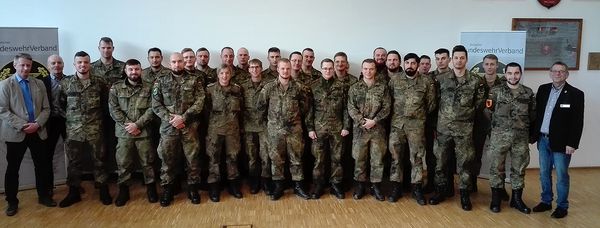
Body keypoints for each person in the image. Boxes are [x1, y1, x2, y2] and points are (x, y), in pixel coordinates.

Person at [429, 45, 484, 211]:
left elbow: (480, 104)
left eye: (462, 58)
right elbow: (434, 102)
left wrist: (465, 114)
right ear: (451, 60)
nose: (459, 61)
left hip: (464, 130)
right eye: (456, 58)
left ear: (466, 59)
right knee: (440, 162)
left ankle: (465, 195)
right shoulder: (441, 79)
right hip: (443, 129)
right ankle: (440, 191)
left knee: (465, 164)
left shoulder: (475, 80)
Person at [1, 53, 55, 216]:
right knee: (12, 169)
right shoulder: (5, 85)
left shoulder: (38, 83)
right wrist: (24, 125)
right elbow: (2, 110)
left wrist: (37, 124)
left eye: (28, 66)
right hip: (16, 133)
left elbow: (47, 108)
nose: (26, 68)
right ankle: (12, 201)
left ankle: (44, 196)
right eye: (22, 65)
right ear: (15, 65)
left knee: (42, 166)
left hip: (38, 131)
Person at [531, 61, 584, 219]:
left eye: (561, 71)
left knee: (561, 175)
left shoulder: (576, 94)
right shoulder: (543, 89)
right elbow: (537, 114)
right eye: (555, 71)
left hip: (562, 144)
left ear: (567, 74)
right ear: (550, 73)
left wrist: (572, 143)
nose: (558, 74)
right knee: (544, 173)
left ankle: (562, 206)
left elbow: (577, 121)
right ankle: (546, 201)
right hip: (543, 140)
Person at [59, 51, 111, 208]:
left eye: (86, 62)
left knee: (100, 161)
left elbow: (105, 105)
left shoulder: (99, 82)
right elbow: (61, 105)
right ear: (74, 64)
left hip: (95, 129)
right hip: (74, 131)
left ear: (90, 64)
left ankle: (103, 190)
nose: (83, 65)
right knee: (74, 163)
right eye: (79, 62)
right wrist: (73, 120)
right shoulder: (66, 83)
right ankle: (73, 192)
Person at [152, 52, 205, 207]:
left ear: (185, 62)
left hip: (189, 127)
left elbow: (200, 101)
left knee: (192, 159)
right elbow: (156, 104)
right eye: (174, 62)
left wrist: (184, 117)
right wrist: (172, 119)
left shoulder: (194, 80)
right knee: (167, 161)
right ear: (170, 63)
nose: (177, 64)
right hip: (169, 129)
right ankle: (167, 190)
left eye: (180, 61)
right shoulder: (161, 81)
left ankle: (193, 189)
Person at [257, 58, 311, 201]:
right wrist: (271, 123)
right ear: (278, 70)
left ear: (291, 69)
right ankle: (278, 187)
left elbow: (305, 107)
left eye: (288, 68)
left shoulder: (300, 87)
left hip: (294, 130)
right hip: (275, 131)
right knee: (276, 160)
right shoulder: (268, 88)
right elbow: (261, 107)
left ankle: (298, 186)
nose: (285, 71)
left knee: (296, 159)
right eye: (283, 68)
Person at [486, 62, 535, 214]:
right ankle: (495, 199)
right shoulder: (495, 91)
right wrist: (496, 129)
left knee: (519, 169)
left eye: (516, 73)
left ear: (520, 74)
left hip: (520, 138)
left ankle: (517, 199)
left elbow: (533, 115)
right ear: (505, 74)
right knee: (496, 168)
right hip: (499, 137)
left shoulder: (528, 93)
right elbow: (487, 112)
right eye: (510, 73)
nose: (513, 76)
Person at [387, 53, 436, 205]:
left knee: (417, 158)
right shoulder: (394, 80)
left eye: (413, 63)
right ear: (403, 64)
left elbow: (431, 104)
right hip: (397, 126)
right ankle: (396, 187)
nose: (410, 65)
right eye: (407, 63)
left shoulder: (426, 82)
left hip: (416, 126)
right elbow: (389, 101)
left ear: (418, 65)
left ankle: (417, 188)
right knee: (396, 158)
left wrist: (418, 116)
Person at [108, 59, 158, 207]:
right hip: (124, 133)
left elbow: (152, 108)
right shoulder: (116, 88)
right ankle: (123, 191)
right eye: (131, 70)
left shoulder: (149, 88)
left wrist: (138, 124)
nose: (134, 72)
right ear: (125, 71)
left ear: (141, 70)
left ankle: (151, 189)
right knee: (123, 163)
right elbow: (113, 109)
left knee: (148, 162)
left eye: (136, 69)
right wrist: (129, 125)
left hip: (144, 132)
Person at [347, 59, 391, 201]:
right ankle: (360, 186)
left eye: (371, 69)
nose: (368, 71)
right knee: (359, 159)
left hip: (378, 130)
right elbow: (351, 108)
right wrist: (362, 121)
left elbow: (387, 107)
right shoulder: (354, 88)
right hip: (360, 131)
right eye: (365, 69)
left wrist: (375, 121)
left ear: (375, 70)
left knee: (377, 159)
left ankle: (376, 186)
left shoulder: (383, 87)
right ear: (361, 69)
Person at [306, 58, 351, 199]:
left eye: (330, 68)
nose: (328, 71)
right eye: (325, 68)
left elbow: (346, 109)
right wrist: (310, 128)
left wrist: (346, 126)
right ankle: (318, 184)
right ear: (321, 69)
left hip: (337, 128)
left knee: (336, 158)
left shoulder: (342, 86)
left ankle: (336, 184)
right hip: (319, 129)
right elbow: (309, 110)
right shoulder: (313, 86)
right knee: (319, 159)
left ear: (333, 69)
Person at [204, 64, 244, 202]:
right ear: (218, 75)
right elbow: (206, 110)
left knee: (232, 158)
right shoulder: (209, 90)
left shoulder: (237, 89)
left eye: (227, 73)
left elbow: (242, 110)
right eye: (222, 73)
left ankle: (234, 186)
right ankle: (214, 187)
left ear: (231, 74)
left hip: (232, 130)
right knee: (213, 158)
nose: (224, 76)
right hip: (215, 130)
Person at [472, 54, 509, 199]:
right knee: (475, 156)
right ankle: (472, 183)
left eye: (492, 64)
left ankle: (499, 188)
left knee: (499, 157)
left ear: (497, 65)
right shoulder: (476, 82)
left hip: (498, 125)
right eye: (486, 64)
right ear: (483, 65)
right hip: (479, 123)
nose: (489, 67)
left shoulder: (504, 83)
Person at [240, 59, 273, 195]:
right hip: (248, 127)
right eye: (252, 67)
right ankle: (254, 181)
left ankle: (265, 181)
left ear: (261, 68)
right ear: (248, 69)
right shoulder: (242, 86)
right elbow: (239, 107)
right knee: (252, 157)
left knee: (265, 156)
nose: (254, 70)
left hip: (265, 125)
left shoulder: (269, 85)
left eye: (257, 67)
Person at [41, 54, 67, 196]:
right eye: (53, 63)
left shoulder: (71, 80)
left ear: (63, 64)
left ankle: (74, 185)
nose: (56, 65)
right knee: (47, 155)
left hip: (68, 121)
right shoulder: (41, 83)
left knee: (73, 154)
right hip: (49, 123)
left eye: (59, 62)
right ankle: (48, 186)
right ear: (48, 65)